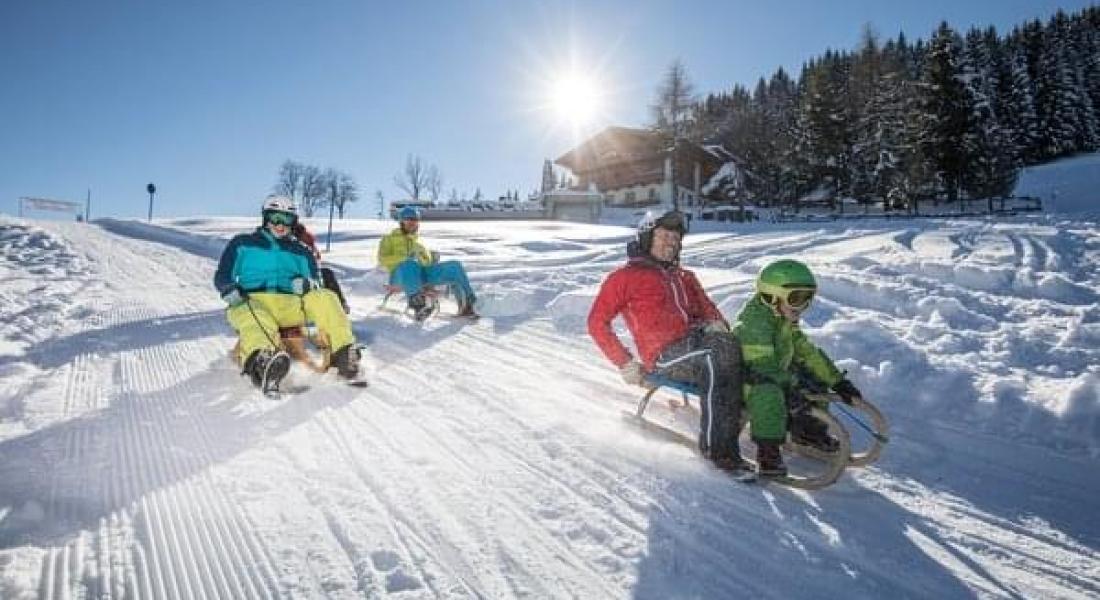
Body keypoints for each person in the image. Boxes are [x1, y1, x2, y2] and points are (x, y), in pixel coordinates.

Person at [588, 210, 747, 472]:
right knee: (717, 351)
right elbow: (596, 323)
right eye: (663, 236)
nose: (671, 243)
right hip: (664, 355)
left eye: (675, 238)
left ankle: (789, 430)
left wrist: (716, 325)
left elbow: (710, 312)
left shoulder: (685, 277)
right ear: (646, 237)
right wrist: (624, 362)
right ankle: (719, 451)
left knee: (742, 347)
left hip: (697, 345)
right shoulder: (624, 278)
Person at [214, 195, 361, 391]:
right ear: (266, 218)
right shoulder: (242, 244)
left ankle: (342, 353)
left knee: (327, 297)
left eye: (287, 219)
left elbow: (316, 283)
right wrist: (229, 289)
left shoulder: (302, 251)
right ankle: (262, 363)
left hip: (291, 307)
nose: (280, 225)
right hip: (252, 301)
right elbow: (223, 275)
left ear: (294, 222)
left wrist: (308, 285)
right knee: (254, 317)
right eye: (275, 217)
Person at [732, 259, 863, 476]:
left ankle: (808, 433)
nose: (801, 306)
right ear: (770, 296)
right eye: (796, 298)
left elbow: (806, 351)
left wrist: (837, 381)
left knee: (812, 381)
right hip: (749, 381)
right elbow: (763, 367)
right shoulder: (753, 325)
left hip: (775, 374)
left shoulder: (782, 318)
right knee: (770, 395)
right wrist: (791, 389)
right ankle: (768, 453)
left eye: (807, 299)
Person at [376, 205, 478, 320]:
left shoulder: (419, 245)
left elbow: (428, 263)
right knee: (410, 263)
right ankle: (419, 306)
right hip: (399, 275)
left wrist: (425, 258)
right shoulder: (389, 239)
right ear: (401, 222)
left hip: (422, 275)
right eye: (408, 220)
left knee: (454, 266)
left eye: (415, 220)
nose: (412, 223)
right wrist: (405, 258)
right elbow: (382, 258)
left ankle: (468, 304)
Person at [291, 222, 351, 313]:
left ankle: (341, 303)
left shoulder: (308, 239)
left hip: (308, 271)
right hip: (289, 272)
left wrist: (313, 258)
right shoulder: (283, 240)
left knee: (327, 273)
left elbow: (316, 255)